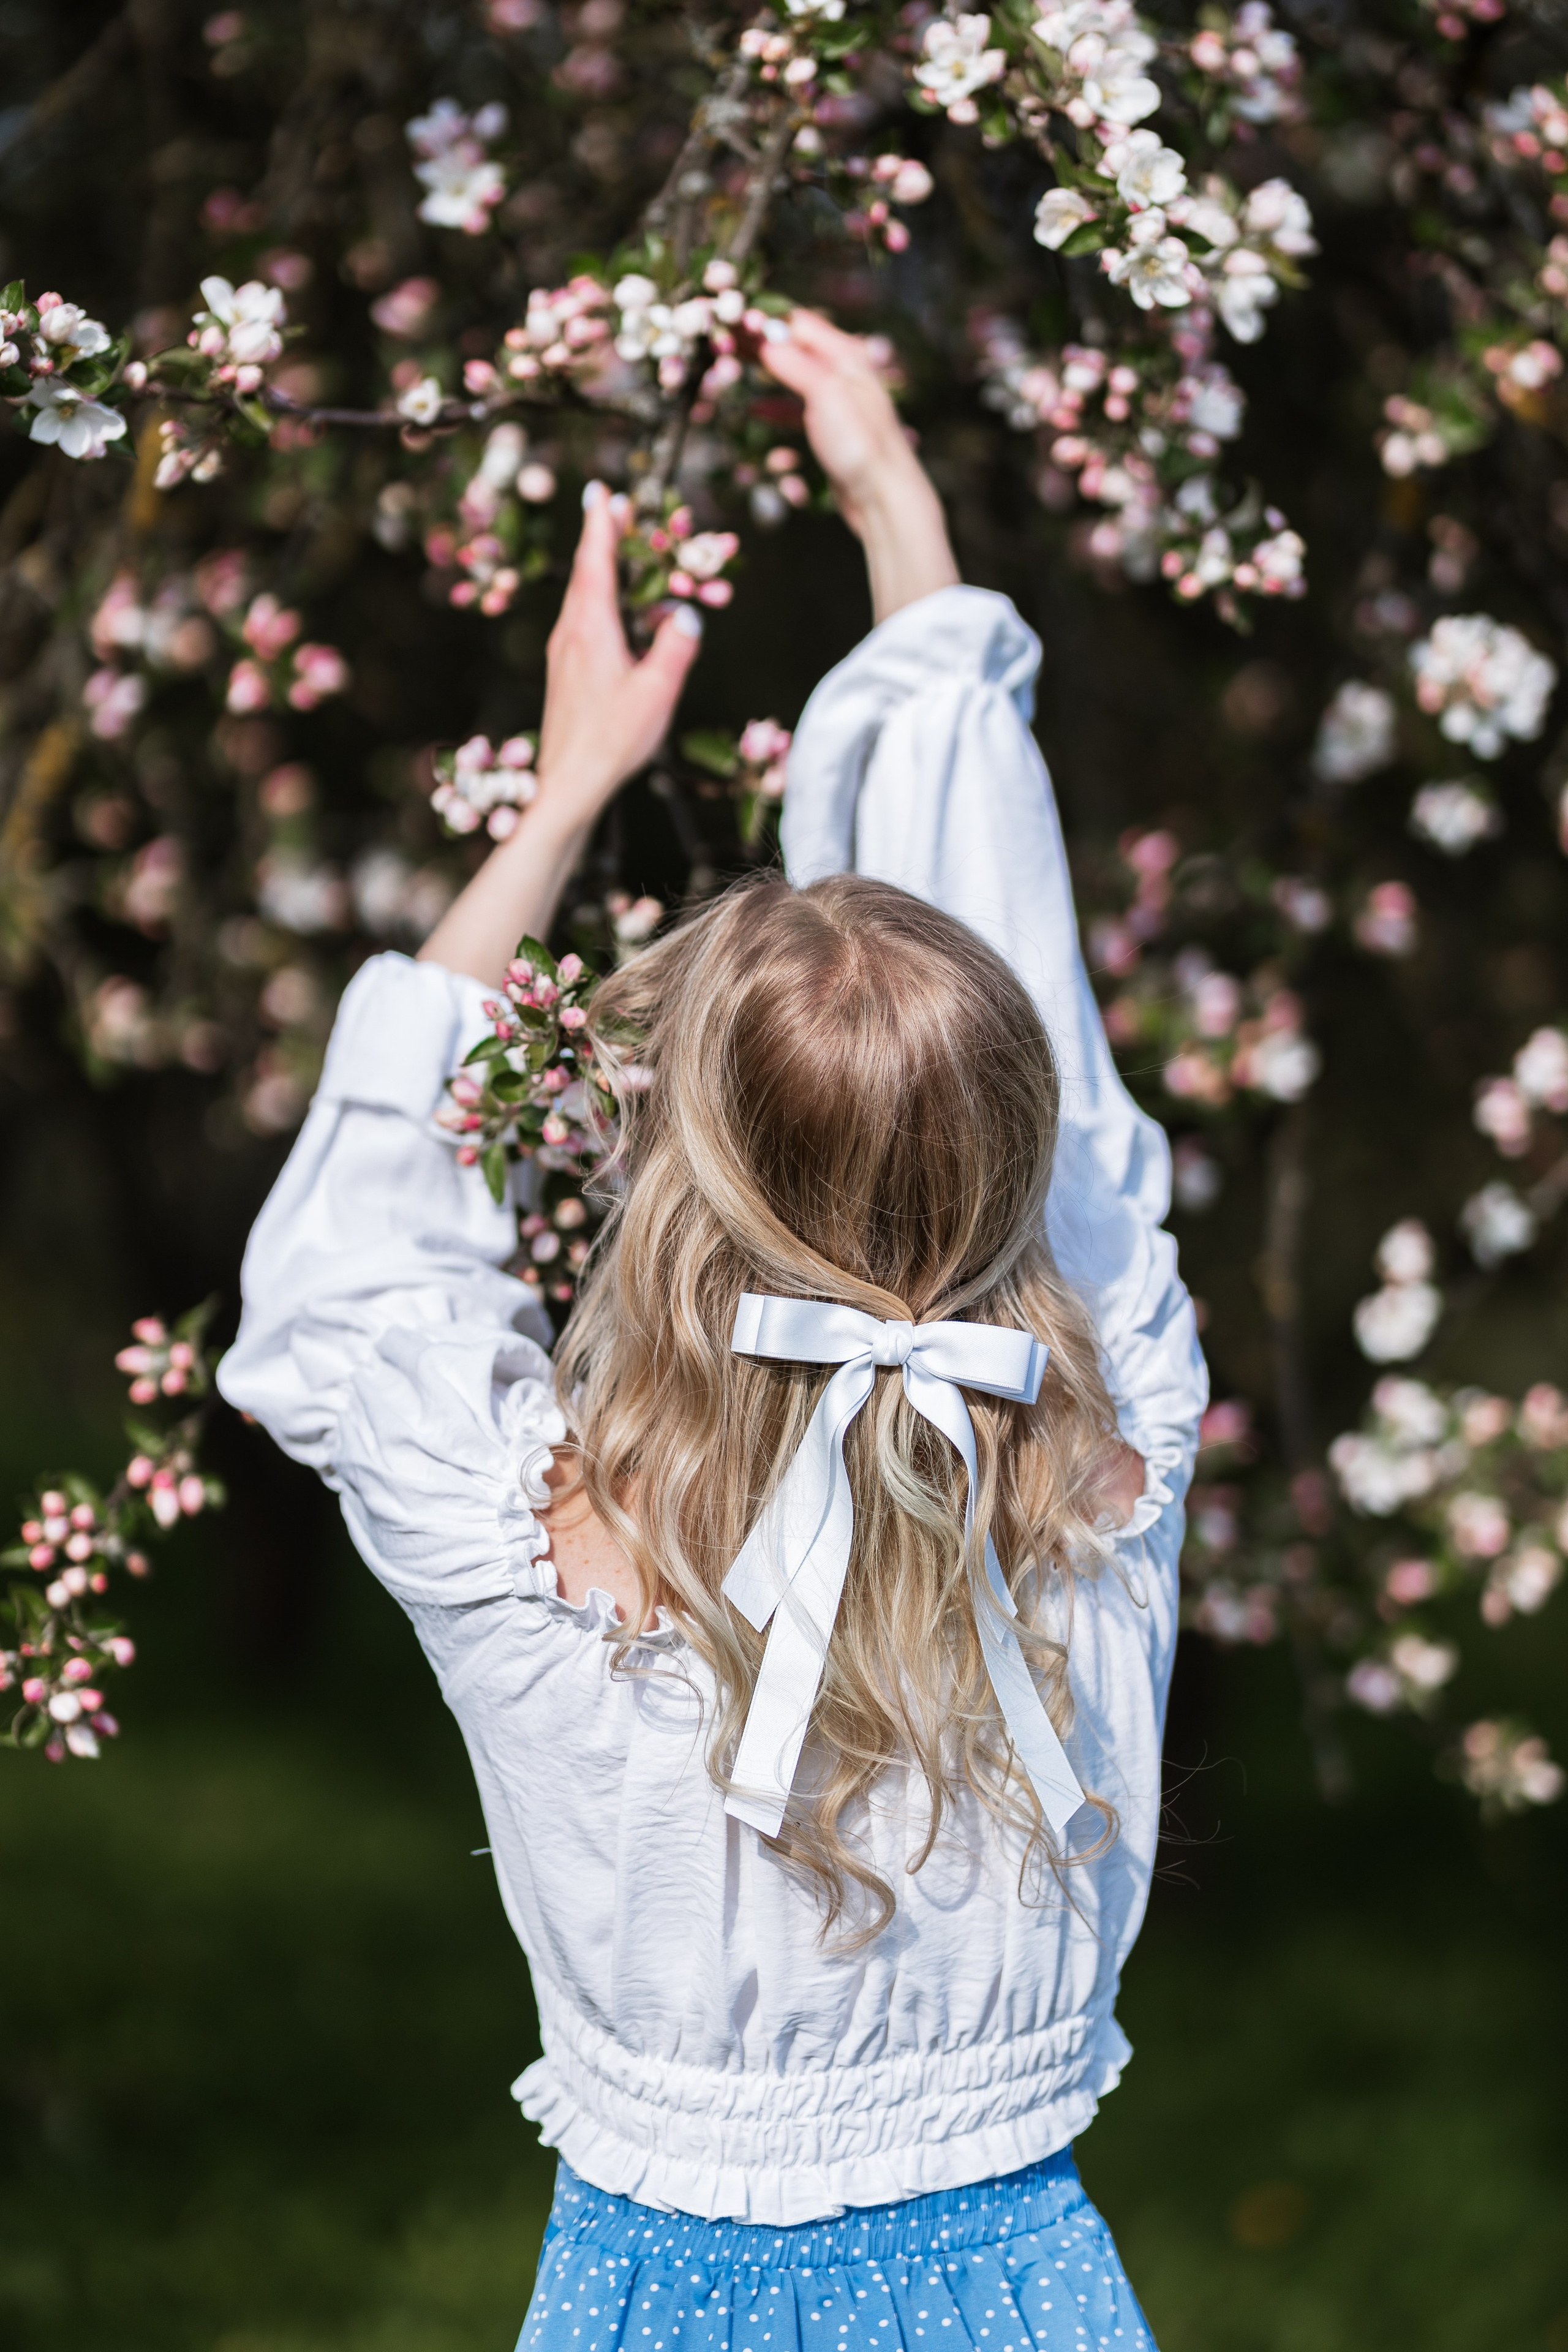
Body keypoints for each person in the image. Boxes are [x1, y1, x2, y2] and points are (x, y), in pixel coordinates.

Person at [219, 311, 1207, 2352]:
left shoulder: (542, 1545)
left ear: (688, 1173)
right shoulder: (1111, 1438)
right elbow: (1027, 1043)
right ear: (1012, 1146)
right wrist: (896, 512)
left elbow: (350, 1265)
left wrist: (565, 794)